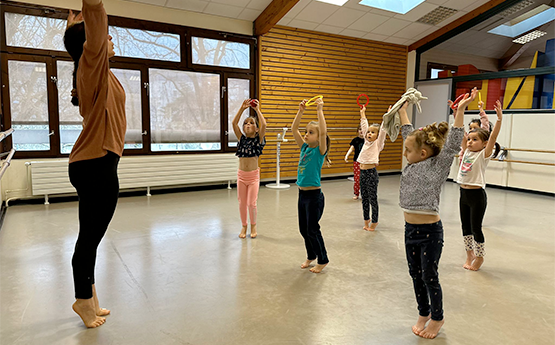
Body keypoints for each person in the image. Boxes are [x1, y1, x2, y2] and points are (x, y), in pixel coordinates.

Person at [64, 0, 127, 328]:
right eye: (106, 37)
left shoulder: (94, 71)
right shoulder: (91, 65)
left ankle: (91, 298)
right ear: (91, 43)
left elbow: (92, 39)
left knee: (90, 237)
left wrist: (73, 30)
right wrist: (92, 7)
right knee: (89, 238)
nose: (110, 40)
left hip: (96, 162)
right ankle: (82, 301)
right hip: (96, 163)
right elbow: (97, 25)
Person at [399, 87, 477, 339]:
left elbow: (454, 142)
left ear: (422, 153)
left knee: (429, 276)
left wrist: (461, 111)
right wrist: (402, 110)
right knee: (415, 274)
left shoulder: (436, 166)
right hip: (410, 230)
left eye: (407, 151)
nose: (404, 153)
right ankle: (423, 311)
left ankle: (438, 317)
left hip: (430, 232)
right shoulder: (413, 158)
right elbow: (408, 133)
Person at [457, 100, 503, 271]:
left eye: (474, 139)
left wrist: (498, 120)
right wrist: (459, 110)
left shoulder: (484, 154)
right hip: (463, 194)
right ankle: (469, 253)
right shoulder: (467, 151)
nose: (469, 142)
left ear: (484, 144)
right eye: (469, 139)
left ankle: (480, 256)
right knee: (465, 227)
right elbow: (460, 128)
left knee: (476, 228)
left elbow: (493, 137)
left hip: (477, 196)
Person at [291, 98, 331, 273]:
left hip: (314, 196)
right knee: (303, 229)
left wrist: (319, 110)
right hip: (302, 195)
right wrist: (300, 111)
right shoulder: (304, 148)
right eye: (306, 132)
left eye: (311, 133)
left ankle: (323, 259)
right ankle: (311, 255)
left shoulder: (319, 151)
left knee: (313, 229)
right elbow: (293, 129)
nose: (306, 135)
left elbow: (323, 133)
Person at [231, 99, 267, 239]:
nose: (248, 125)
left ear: (256, 129)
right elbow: (234, 124)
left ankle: (253, 225)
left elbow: (264, 124)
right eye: (246, 123)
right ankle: (243, 226)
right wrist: (242, 108)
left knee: (251, 203)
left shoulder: (258, 140)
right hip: (241, 176)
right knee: (242, 203)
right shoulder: (241, 139)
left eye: (251, 123)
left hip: (253, 177)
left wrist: (257, 110)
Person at [356, 105, 387, 231]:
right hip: (362, 173)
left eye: (373, 132)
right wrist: (362, 113)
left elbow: (383, 130)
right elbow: (364, 125)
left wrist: (387, 117)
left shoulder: (377, 144)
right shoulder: (366, 142)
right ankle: (366, 219)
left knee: (372, 198)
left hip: (371, 173)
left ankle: (375, 221)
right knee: (364, 198)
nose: (369, 133)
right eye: (368, 132)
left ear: (377, 135)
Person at [344, 123, 364, 199]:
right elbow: (351, 148)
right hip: (357, 161)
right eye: (360, 129)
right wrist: (347, 155)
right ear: (357, 131)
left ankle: (364, 193)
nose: (361, 131)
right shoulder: (355, 140)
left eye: (363, 129)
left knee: (364, 179)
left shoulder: (367, 140)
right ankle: (356, 193)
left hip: (365, 162)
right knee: (357, 178)